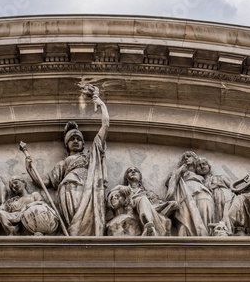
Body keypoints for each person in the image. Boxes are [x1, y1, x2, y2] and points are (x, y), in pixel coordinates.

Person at [27, 83, 109, 236]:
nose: (76, 141)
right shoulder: (63, 164)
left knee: (87, 223)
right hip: (68, 189)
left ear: (84, 144)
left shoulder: (91, 156)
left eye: (79, 139)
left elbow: (105, 127)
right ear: (66, 144)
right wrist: (29, 168)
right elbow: (43, 182)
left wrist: (101, 104)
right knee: (75, 227)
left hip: (89, 187)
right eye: (72, 139)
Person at [122, 167, 173, 236]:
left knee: (171, 204)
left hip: (150, 211)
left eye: (135, 171)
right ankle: (148, 224)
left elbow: (156, 204)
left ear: (140, 177)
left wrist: (169, 204)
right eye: (130, 171)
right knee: (143, 199)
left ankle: (150, 226)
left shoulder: (147, 193)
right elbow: (112, 198)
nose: (133, 172)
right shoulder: (123, 190)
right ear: (126, 177)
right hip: (133, 211)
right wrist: (120, 187)